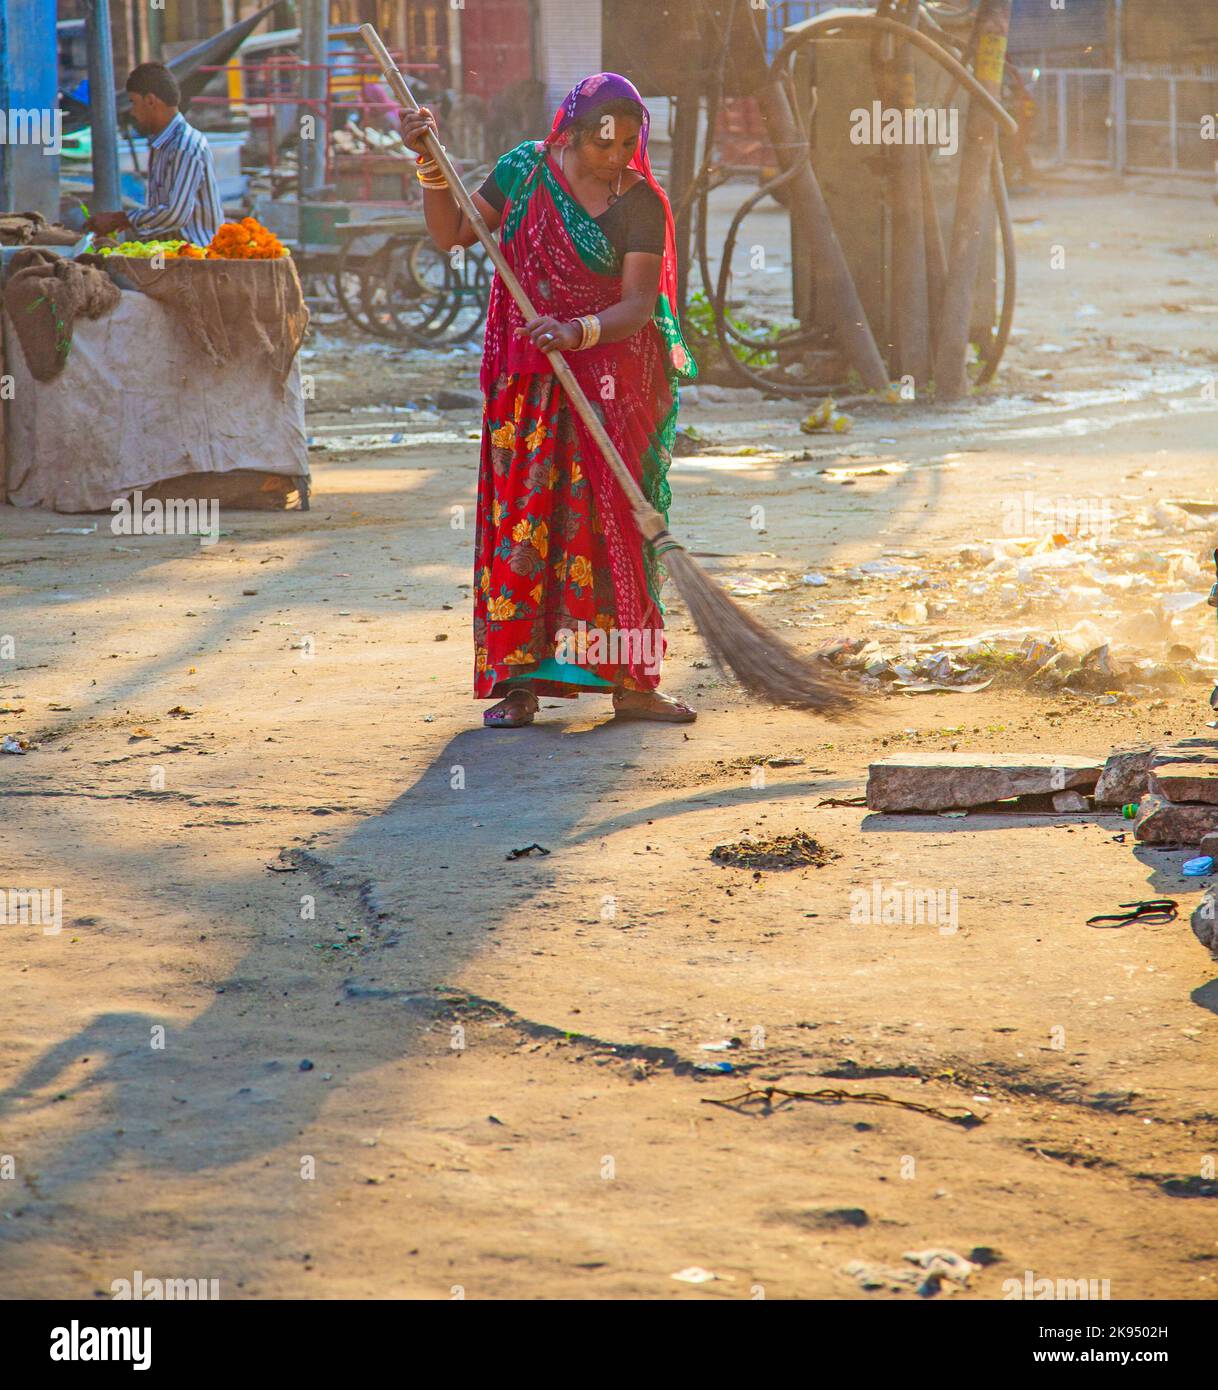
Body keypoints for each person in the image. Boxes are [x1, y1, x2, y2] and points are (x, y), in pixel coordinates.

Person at [402, 73, 698, 729]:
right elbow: (453, 235)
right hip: (530, 386)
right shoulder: (523, 172)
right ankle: (521, 685)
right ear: (571, 130)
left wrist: (577, 331)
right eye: (603, 144)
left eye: (628, 145)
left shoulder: (641, 202)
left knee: (617, 524)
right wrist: (428, 161)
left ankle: (633, 684)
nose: (617, 158)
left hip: (614, 383)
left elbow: (638, 303)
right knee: (527, 525)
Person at [87, 63, 223, 248]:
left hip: (194, 257)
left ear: (150, 100)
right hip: (168, 252)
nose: (133, 112)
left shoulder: (184, 146)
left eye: (134, 103)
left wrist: (121, 219)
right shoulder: (163, 144)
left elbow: (174, 214)